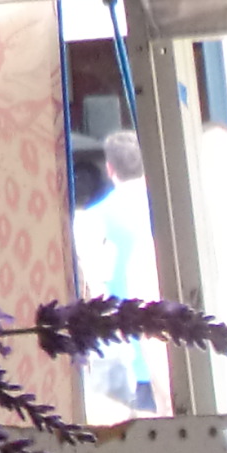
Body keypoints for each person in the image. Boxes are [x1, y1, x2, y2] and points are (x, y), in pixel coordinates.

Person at [73, 130, 161, 418]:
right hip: (173, 350)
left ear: (109, 169)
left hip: (126, 360)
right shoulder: (168, 209)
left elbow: (91, 290)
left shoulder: (92, 219)